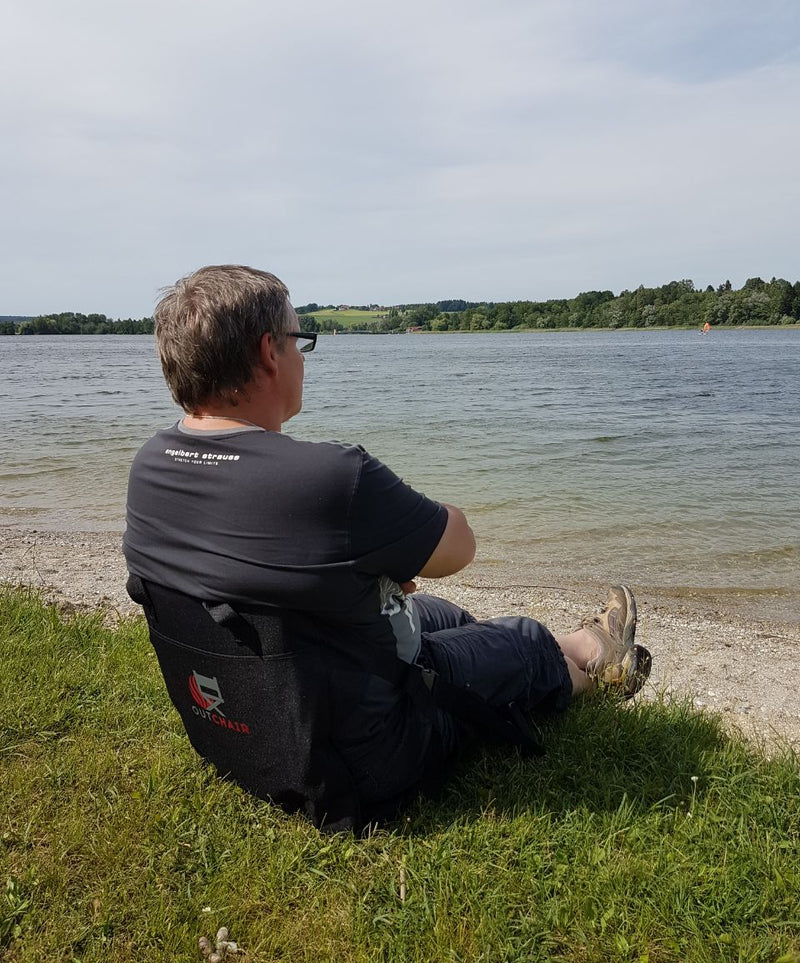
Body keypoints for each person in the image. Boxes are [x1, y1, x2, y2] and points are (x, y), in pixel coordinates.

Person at [124, 265, 652, 831]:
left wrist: (357, 564)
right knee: (520, 639)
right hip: (367, 756)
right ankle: (588, 660)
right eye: (300, 340)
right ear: (268, 352)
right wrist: (378, 541)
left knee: (443, 614)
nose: (303, 356)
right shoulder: (328, 477)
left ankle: (529, 656)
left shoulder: (149, 467)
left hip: (251, 726)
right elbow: (458, 547)